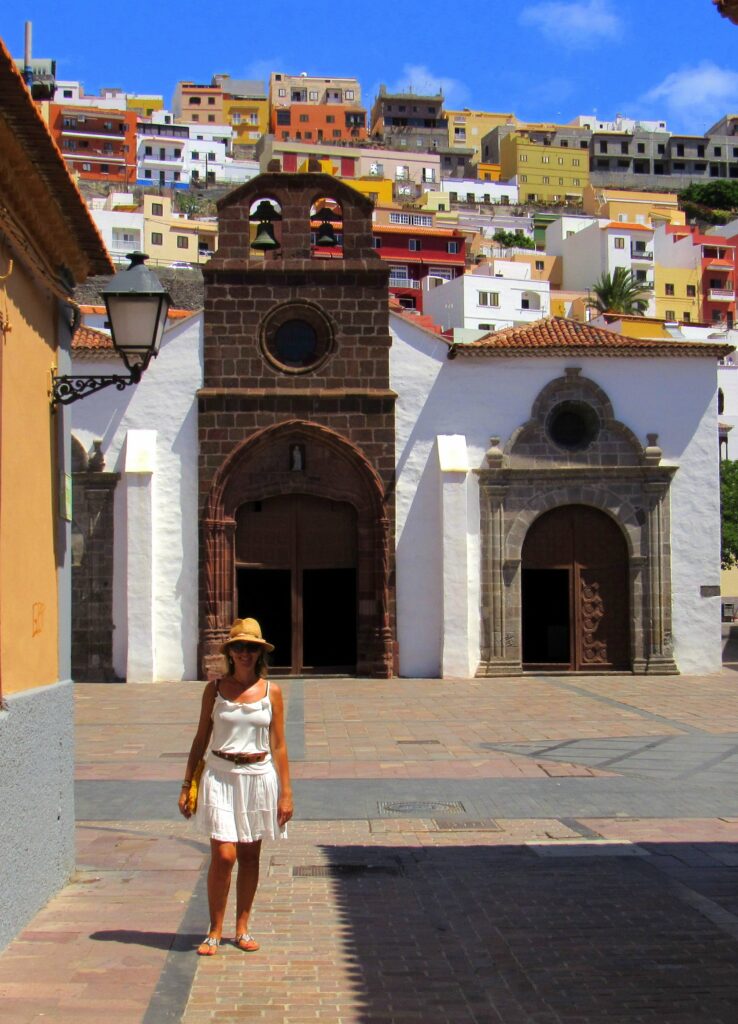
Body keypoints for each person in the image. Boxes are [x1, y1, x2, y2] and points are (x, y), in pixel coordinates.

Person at [178, 617, 293, 955]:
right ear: (230, 652)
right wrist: (188, 783)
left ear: (260, 653)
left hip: (258, 777)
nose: (245, 653)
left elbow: (280, 745)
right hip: (219, 775)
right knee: (224, 855)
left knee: (250, 855)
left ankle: (242, 927)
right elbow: (201, 737)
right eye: (239, 647)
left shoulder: (273, 692)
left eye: (251, 648)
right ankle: (214, 929)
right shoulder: (213, 690)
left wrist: (286, 793)